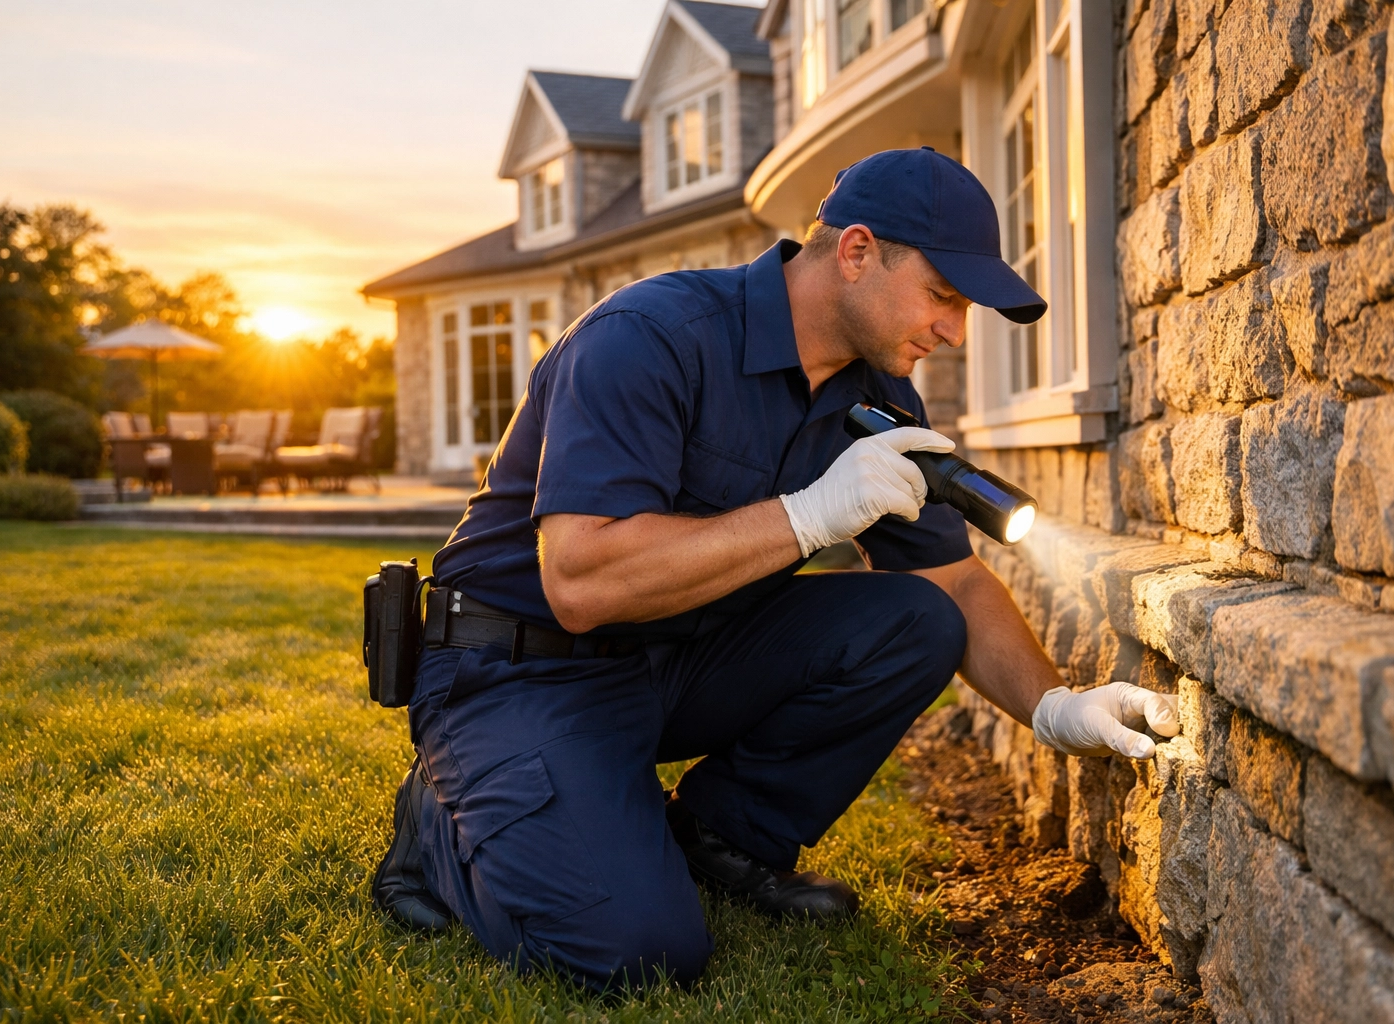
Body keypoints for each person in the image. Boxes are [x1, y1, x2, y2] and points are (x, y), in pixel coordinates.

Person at [370, 148, 1180, 990]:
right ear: (858, 251)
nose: (953, 331)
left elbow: (955, 582)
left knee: (915, 620)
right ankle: (437, 828)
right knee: (636, 956)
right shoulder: (648, 338)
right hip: (518, 669)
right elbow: (581, 583)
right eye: (944, 297)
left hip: (673, 661)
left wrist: (1054, 708)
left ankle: (724, 840)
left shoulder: (879, 397)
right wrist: (809, 516)